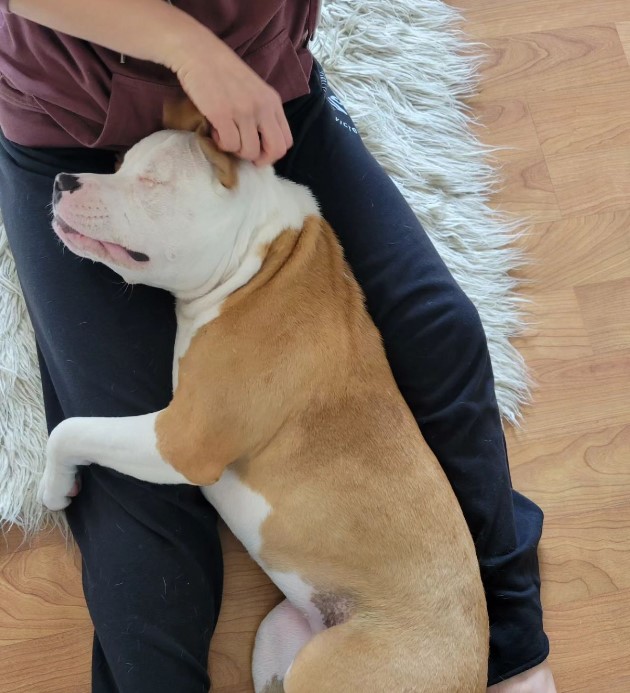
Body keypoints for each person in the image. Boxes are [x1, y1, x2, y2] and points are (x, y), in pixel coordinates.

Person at [0, 1, 556, 691]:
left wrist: (233, 65)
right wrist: (189, 51)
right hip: (70, 122)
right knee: (140, 512)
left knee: (441, 330)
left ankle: (512, 642)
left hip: (258, 93)